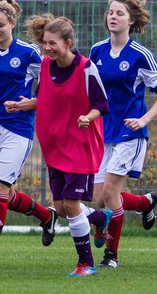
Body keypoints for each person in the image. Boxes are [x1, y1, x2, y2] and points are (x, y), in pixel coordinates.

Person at [20, 14, 113, 276]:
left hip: (80, 148)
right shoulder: (46, 67)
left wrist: (87, 117)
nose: (47, 48)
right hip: (54, 147)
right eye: (45, 44)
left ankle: (86, 263)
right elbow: (44, 99)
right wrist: (21, 105)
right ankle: (98, 217)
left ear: (68, 42)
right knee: (60, 208)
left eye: (53, 44)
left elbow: (102, 105)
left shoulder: (86, 68)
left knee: (71, 206)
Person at [88, 0, 157, 269]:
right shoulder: (97, 51)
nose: (113, 16)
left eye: (119, 13)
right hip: (102, 132)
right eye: (111, 12)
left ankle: (111, 255)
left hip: (129, 133)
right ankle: (145, 203)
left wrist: (143, 120)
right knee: (98, 199)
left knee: (110, 193)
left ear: (131, 20)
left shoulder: (141, 55)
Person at [0, 0, 57, 243]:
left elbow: (51, 91)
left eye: (0, 25)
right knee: (7, 194)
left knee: (1, 189)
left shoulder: (29, 53)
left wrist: (27, 104)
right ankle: (47, 217)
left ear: (12, 23)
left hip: (17, 129)